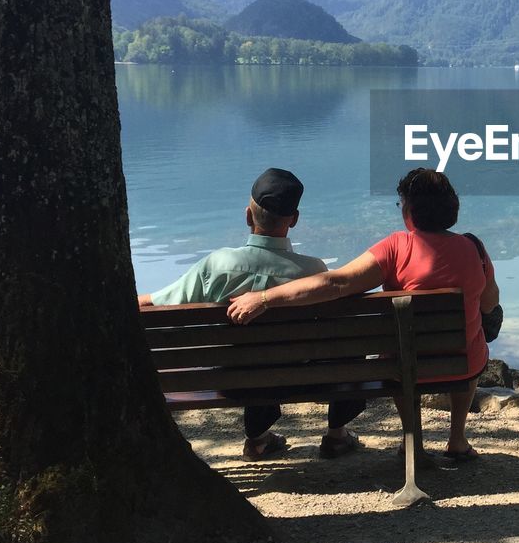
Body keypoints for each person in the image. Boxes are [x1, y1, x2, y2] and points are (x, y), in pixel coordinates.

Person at [228, 168, 498, 463]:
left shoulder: (397, 247)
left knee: (404, 354)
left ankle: (412, 442)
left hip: (406, 368)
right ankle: (457, 440)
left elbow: (336, 283)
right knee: (476, 338)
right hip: (462, 364)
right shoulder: (475, 248)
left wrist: (265, 297)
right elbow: (488, 305)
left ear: (409, 211)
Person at [139, 167, 365, 462]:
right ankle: (336, 435)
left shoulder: (217, 265)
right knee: (349, 349)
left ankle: (258, 440)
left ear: (248, 215)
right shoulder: (312, 272)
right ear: (294, 220)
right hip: (302, 377)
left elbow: (158, 303)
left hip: (232, 381)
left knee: (250, 352)